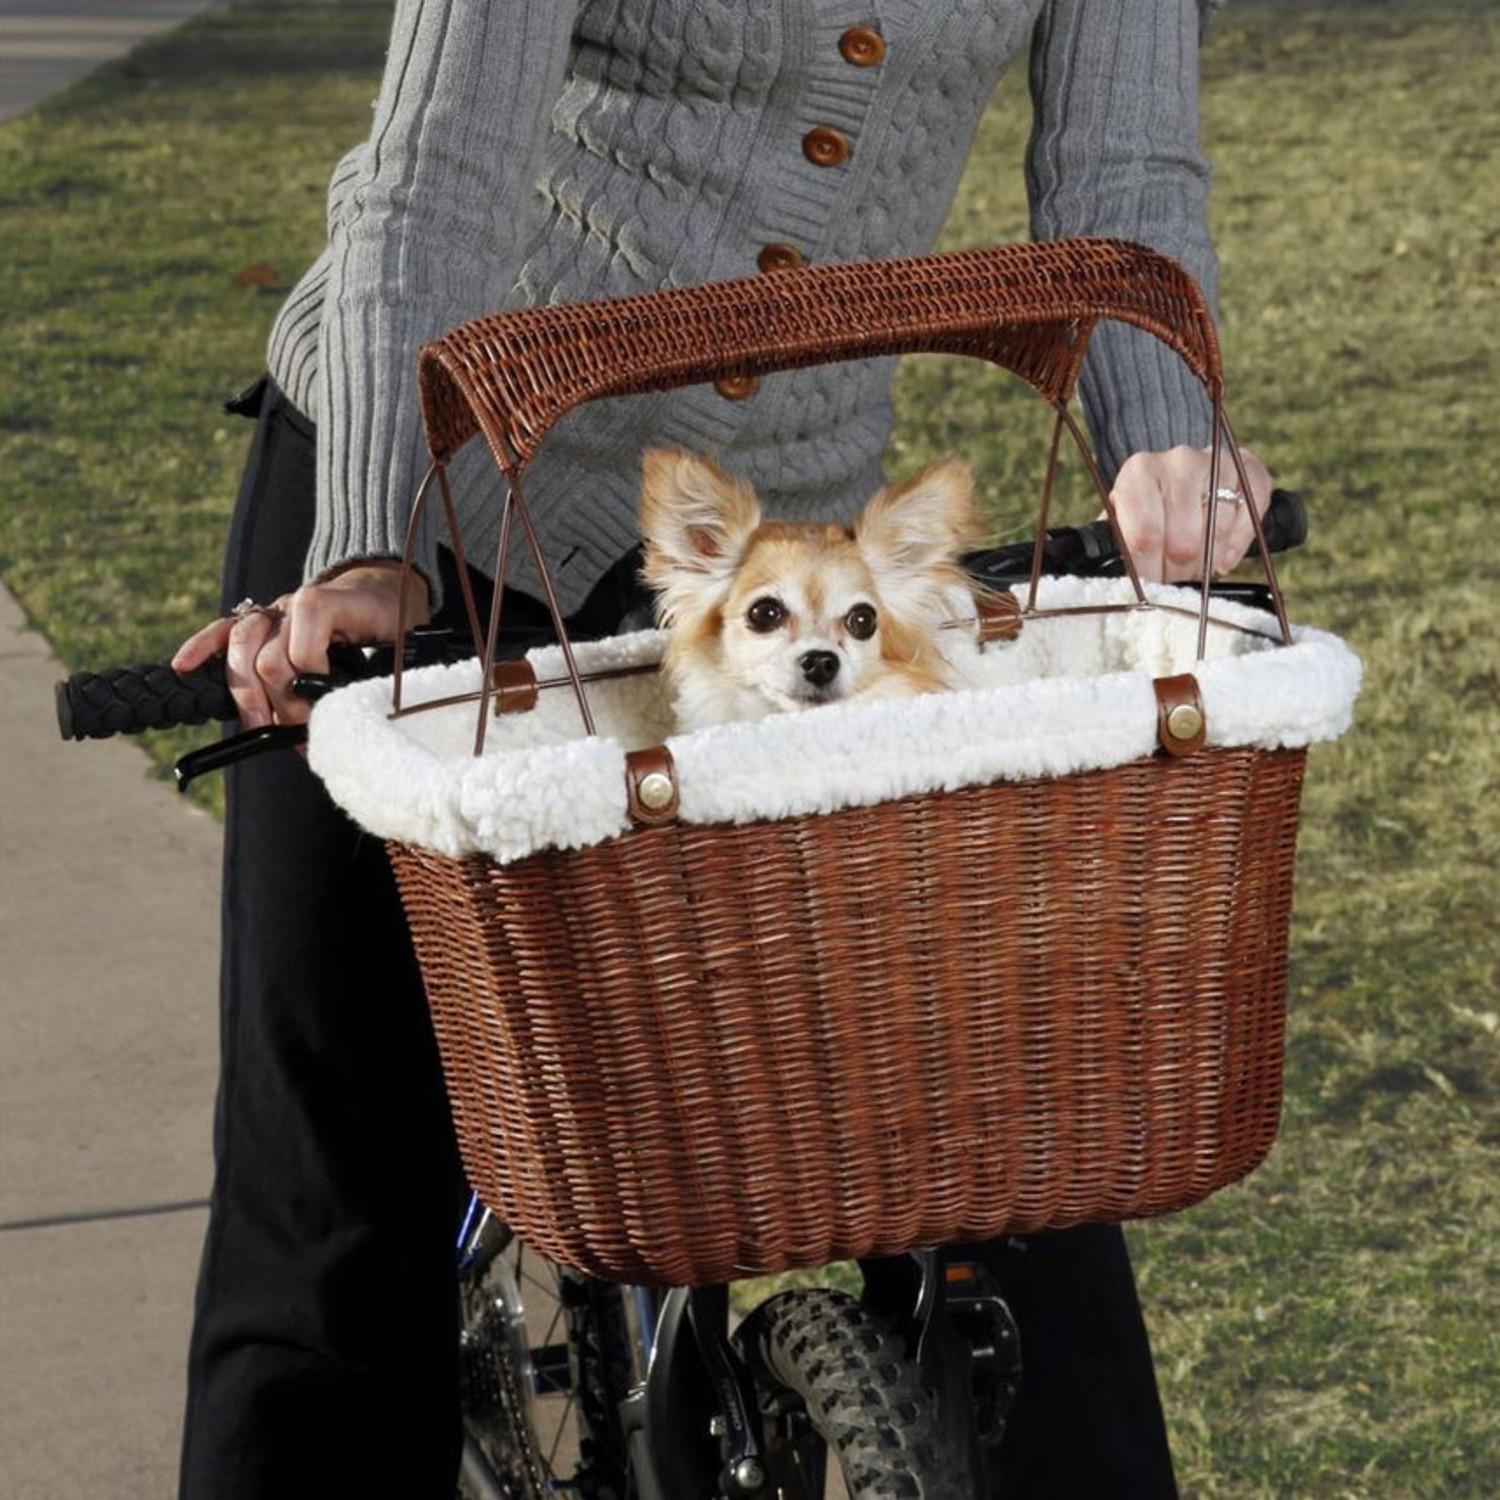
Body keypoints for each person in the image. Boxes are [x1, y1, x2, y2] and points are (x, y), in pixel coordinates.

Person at [172, 2, 1271, 1495]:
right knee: (342, 1199)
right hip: (429, 501)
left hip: (780, 574)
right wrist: (373, 543)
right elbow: (431, 180)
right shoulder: (393, 520)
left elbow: (1124, 177)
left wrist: (1169, 462)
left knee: (994, 1148)